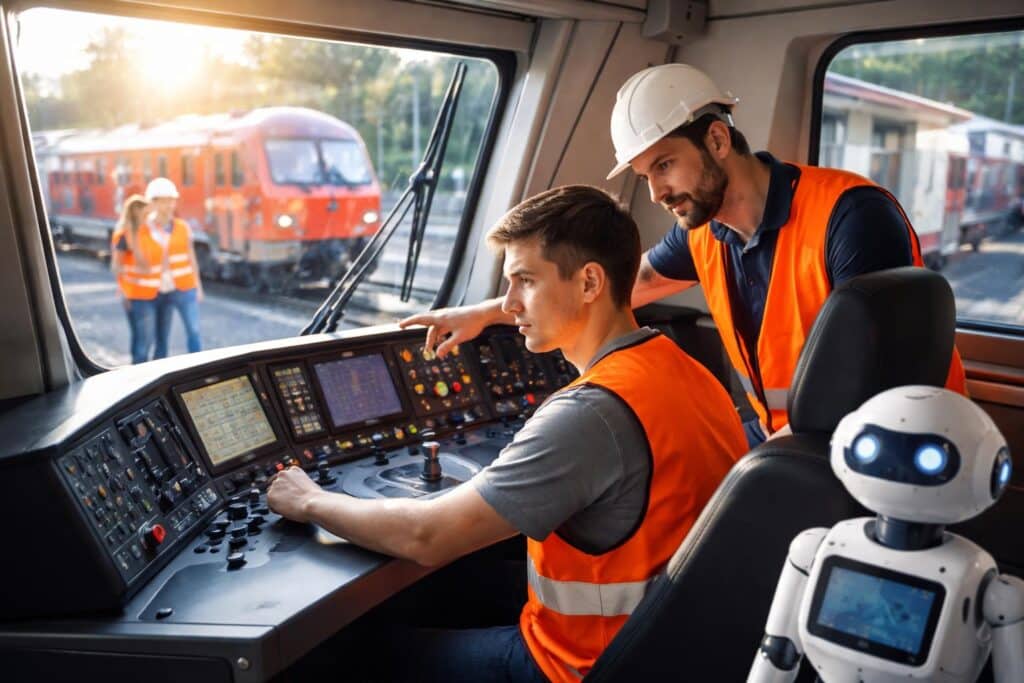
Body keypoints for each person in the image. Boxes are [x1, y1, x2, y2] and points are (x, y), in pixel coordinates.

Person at [268, 185, 748, 682]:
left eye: (526, 281)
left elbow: (425, 535)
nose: (511, 304)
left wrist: (310, 501)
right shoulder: (686, 372)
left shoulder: (590, 413)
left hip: (575, 666)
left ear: (589, 282)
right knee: (456, 584)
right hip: (671, 650)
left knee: (353, 654)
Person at [403, 63, 966, 447]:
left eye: (665, 165)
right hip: (791, 439)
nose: (655, 193)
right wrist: (485, 313)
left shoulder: (852, 216)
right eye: (644, 174)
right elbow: (609, 288)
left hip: (891, 444)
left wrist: (766, 466)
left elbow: (878, 378)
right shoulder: (704, 234)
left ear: (717, 140)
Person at [143, 177, 203, 359]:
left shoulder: (183, 228)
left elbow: (191, 258)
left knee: (194, 331)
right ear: (153, 203)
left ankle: (199, 366)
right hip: (158, 291)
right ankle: (160, 370)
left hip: (184, 288)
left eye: (171, 201)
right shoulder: (144, 229)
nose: (169, 206)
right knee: (161, 338)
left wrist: (198, 286)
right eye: (164, 201)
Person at [110, 194, 158, 364]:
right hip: (137, 296)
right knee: (143, 343)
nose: (148, 216)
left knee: (141, 339)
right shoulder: (126, 235)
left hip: (151, 293)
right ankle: (140, 374)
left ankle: (136, 369)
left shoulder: (147, 232)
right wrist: (124, 292)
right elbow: (116, 266)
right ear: (136, 213)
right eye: (145, 213)